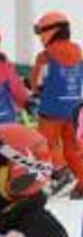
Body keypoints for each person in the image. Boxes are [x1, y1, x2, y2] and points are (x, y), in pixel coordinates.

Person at [29, 11, 83, 198]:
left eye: (41, 32)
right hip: (73, 111)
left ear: (51, 32)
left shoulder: (45, 56)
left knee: (42, 147)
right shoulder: (79, 52)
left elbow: (39, 83)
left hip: (50, 111)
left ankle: (40, 184)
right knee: (73, 150)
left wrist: (34, 91)